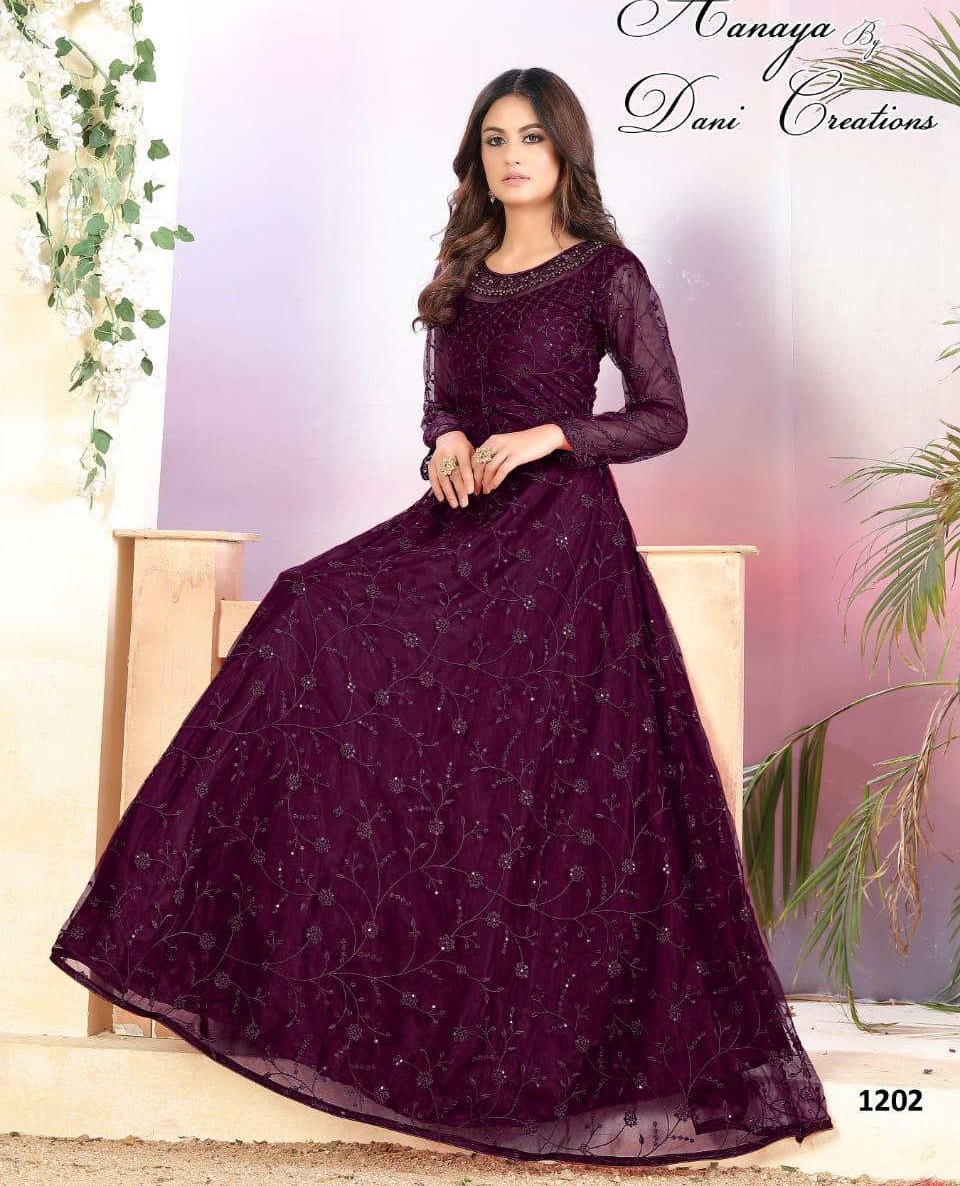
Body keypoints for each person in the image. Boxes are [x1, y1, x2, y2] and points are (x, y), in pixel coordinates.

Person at [50, 67, 833, 1167]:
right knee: (308, 604)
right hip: (461, 522)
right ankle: (278, 969)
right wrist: (446, 443)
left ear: (565, 151)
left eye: (531, 138)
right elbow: (443, 405)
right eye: (495, 140)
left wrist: (555, 435)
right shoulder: (462, 274)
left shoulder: (608, 271)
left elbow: (665, 415)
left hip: (561, 542)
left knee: (521, 768)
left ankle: (525, 1050)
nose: (513, 157)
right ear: (478, 158)